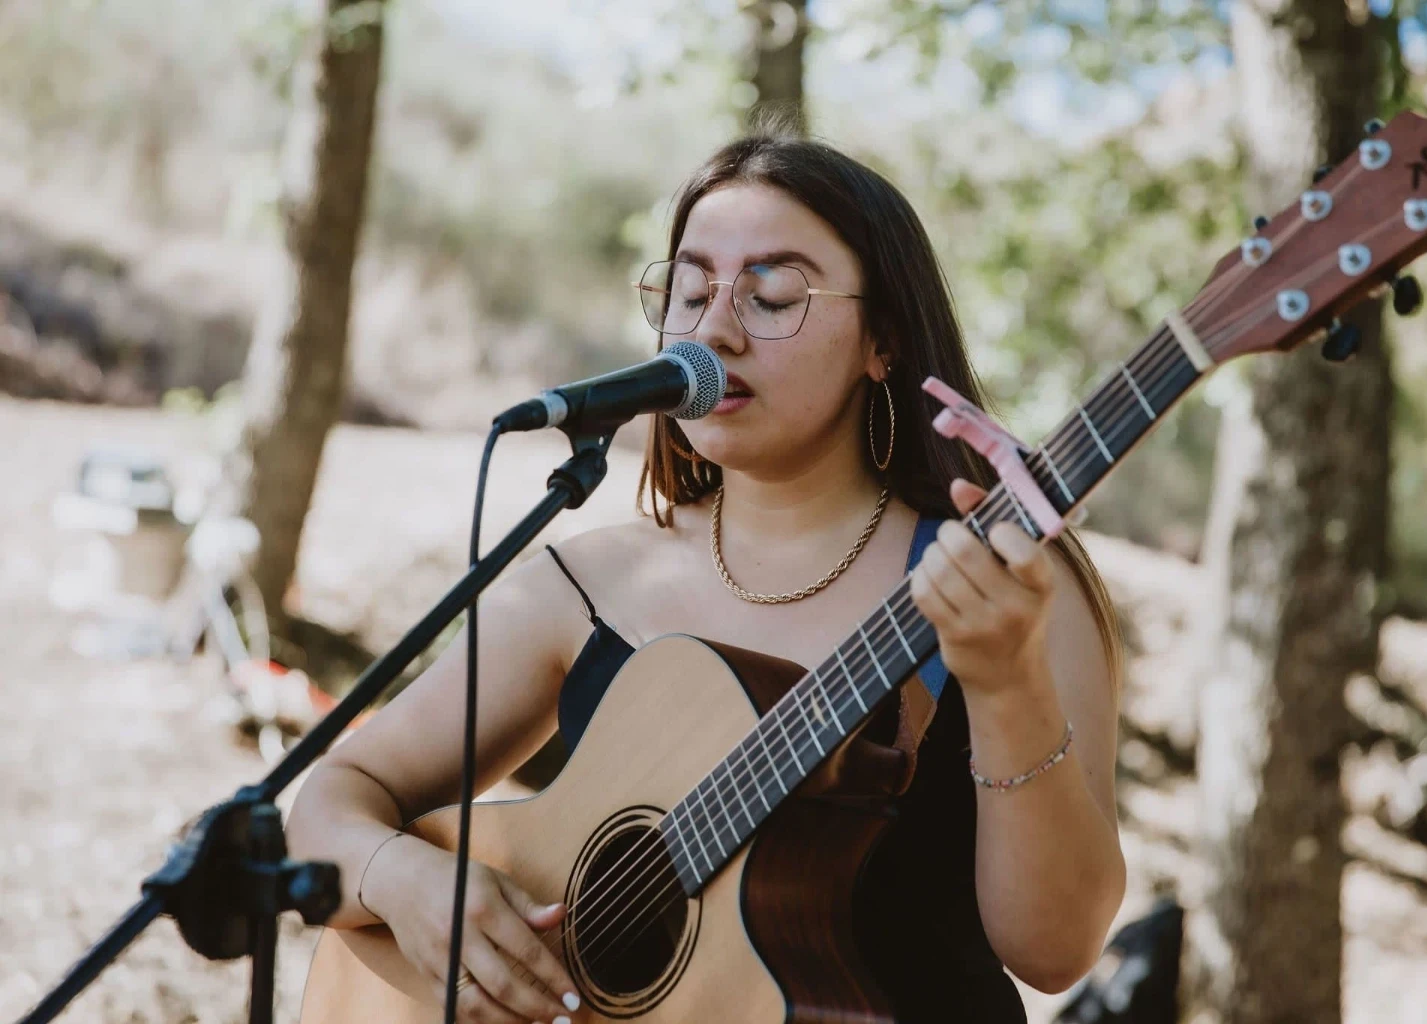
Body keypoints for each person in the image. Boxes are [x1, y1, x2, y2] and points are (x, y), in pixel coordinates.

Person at [285, 128, 1127, 1024]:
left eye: (773, 295)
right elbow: (325, 807)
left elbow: (1055, 953)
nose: (715, 331)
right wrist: (408, 884)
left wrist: (1006, 682)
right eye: (689, 293)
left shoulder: (1000, 577)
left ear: (883, 339)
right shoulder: (591, 585)